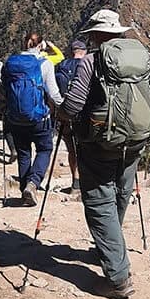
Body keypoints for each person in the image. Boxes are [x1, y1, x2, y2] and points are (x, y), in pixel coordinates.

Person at [61, 9, 150, 299]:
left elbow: (72, 107)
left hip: (99, 145)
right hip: (135, 143)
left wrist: (60, 114)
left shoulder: (91, 62)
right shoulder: (145, 57)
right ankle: (110, 250)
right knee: (121, 194)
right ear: (119, 32)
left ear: (96, 35)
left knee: (99, 203)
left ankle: (118, 279)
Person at [1, 32, 63, 206]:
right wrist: (66, 107)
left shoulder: (10, 64)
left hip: (15, 119)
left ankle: (24, 190)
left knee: (23, 153)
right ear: (40, 45)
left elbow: (4, 89)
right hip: (39, 118)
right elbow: (54, 93)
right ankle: (33, 183)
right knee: (44, 149)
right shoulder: (45, 63)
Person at [55, 40, 87, 198]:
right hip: (86, 115)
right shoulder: (89, 65)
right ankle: (88, 182)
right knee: (88, 148)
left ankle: (75, 182)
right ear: (84, 51)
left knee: (72, 149)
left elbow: (53, 90)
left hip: (66, 114)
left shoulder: (62, 65)